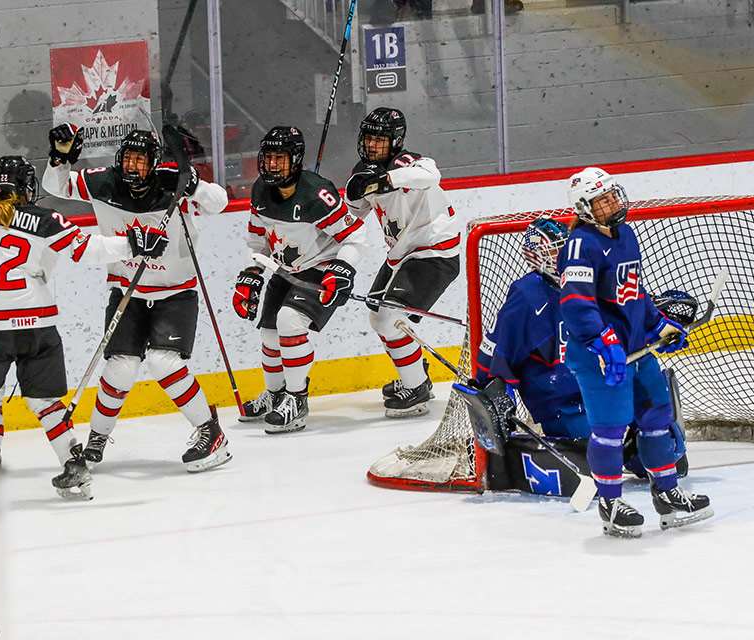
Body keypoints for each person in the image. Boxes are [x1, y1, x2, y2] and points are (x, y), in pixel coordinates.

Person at [0, 131, 168, 498]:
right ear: (28, 188)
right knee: (45, 402)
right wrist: (133, 243)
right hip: (37, 325)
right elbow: (87, 249)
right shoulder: (46, 220)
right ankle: (74, 465)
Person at [42, 124, 231, 473]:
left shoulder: (171, 185)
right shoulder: (104, 183)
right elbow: (55, 186)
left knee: (163, 362)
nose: (132, 166)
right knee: (120, 366)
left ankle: (210, 431)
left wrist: (196, 186)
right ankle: (97, 437)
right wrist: (59, 157)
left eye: (140, 160)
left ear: (154, 163)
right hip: (127, 290)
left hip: (176, 293)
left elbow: (220, 202)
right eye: (127, 158)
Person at [472, 216, 688, 497]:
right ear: (535, 255)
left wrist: (658, 323)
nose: (563, 256)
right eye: (554, 250)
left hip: (608, 384)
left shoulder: (592, 279)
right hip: (563, 403)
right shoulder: (528, 297)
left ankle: (637, 446)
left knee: (671, 450)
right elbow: (496, 351)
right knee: (598, 450)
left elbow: (627, 320)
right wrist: (495, 396)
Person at [557, 166, 712, 537]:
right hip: (598, 355)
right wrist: (603, 339)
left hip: (635, 348)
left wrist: (658, 324)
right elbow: (576, 304)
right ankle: (611, 503)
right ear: (585, 208)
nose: (612, 204)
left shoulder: (626, 235)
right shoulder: (580, 245)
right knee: (610, 429)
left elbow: (633, 294)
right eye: (602, 200)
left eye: (613, 196)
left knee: (657, 415)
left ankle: (668, 494)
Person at [234, 126, 365, 434]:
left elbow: (355, 237)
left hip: (320, 270)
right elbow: (257, 242)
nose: (272, 165)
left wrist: (342, 269)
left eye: (279, 158)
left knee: (290, 322)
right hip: (286, 271)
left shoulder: (318, 194)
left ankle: (297, 400)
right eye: (268, 158)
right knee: (268, 334)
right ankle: (276, 394)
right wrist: (252, 274)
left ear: (295, 160)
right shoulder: (260, 191)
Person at [344, 107, 461, 418]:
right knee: (376, 313)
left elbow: (430, 175)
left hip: (434, 253)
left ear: (395, 141)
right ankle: (414, 370)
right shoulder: (363, 170)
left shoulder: (406, 163)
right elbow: (353, 214)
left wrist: (383, 180)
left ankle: (416, 388)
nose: (372, 145)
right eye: (368, 138)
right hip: (403, 255)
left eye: (380, 140)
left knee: (387, 319)